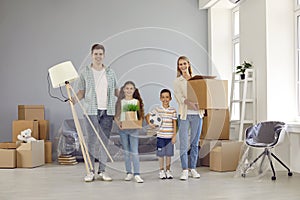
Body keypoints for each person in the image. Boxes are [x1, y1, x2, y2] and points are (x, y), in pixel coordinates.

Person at [73, 44, 119, 182]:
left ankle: (102, 171)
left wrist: (130, 98)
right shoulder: (85, 72)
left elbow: (117, 91)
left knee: (104, 142)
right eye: (95, 54)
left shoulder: (110, 72)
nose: (98, 56)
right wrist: (72, 100)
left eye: (100, 54)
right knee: (92, 142)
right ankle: (90, 171)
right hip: (91, 111)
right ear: (91, 55)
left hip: (108, 110)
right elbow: (81, 93)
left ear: (104, 55)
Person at [173, 56, 204, 181]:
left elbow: (203, 94)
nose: (182, 66)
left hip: (198, 114)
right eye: (180, 64)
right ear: (178, 67)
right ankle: (185, 170)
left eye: (184, 63)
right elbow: (178, 97)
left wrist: (200, 103)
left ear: (189, 64)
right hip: (184, 114)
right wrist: (189, 103)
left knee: (195, 143)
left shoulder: (197, 79)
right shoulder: (177, 81)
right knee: (184, 143)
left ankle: (193, 169)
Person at [114, 81, 144, 183]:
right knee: (126, 152)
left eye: (131, 88)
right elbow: (116, 116)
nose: (129, 90)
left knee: (134, 152)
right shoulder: (121, 102)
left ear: (134, 90)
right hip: (123, 130)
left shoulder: (136, 102)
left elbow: (138, 116)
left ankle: (137, 174)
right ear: (123, 90)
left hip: (134, 130)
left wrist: (137, 124)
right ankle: (128, 172)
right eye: (127, 88)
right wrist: (119, 125)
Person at [146, 89, 177, 179]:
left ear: (170, 98)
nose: (165, 99)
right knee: (161, 155)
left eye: (167, 97)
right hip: (160, 136)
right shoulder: (157, 110)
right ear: (160, 98)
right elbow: (147, 116)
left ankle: (168, 170)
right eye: (163, 97)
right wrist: (150, 124)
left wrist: (174, 136)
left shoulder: (173, 110)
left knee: (168, 155)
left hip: (169, 137)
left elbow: (174, 123)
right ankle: (161, 171)